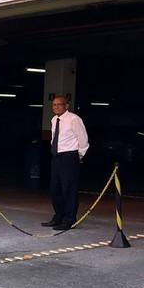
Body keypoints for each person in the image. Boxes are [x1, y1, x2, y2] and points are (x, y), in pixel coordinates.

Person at [42, 96, 89, 231]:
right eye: (54, 105)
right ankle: (58, 216)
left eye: (59, 105)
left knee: (69, 189)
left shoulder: (74, 119)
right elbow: (54, 138)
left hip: (69, 156)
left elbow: (83, 139)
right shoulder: (53, 120)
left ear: (66, 106)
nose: (56, 107)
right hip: (57, 157)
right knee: (55, 188)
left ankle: (69, 219)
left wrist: (78, 156)